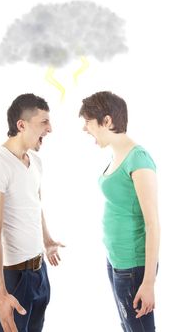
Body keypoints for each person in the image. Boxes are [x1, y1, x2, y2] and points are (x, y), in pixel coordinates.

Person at [0, 93, 64, 332]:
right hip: (14, 278)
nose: (50, 129)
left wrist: (47, 241)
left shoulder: (35, 162)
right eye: (44, 122)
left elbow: (35, 205)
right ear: (21, 125)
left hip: (39, 273)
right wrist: (0, 295)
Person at [79, 91, 160, 331]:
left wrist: (148, 283)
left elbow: (153, 224)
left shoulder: (139, 159)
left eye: (88, 122)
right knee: (127, 326)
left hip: (134, 267)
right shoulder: (117, 156)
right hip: (116, 260)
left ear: (107, 121)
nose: (85, 129)